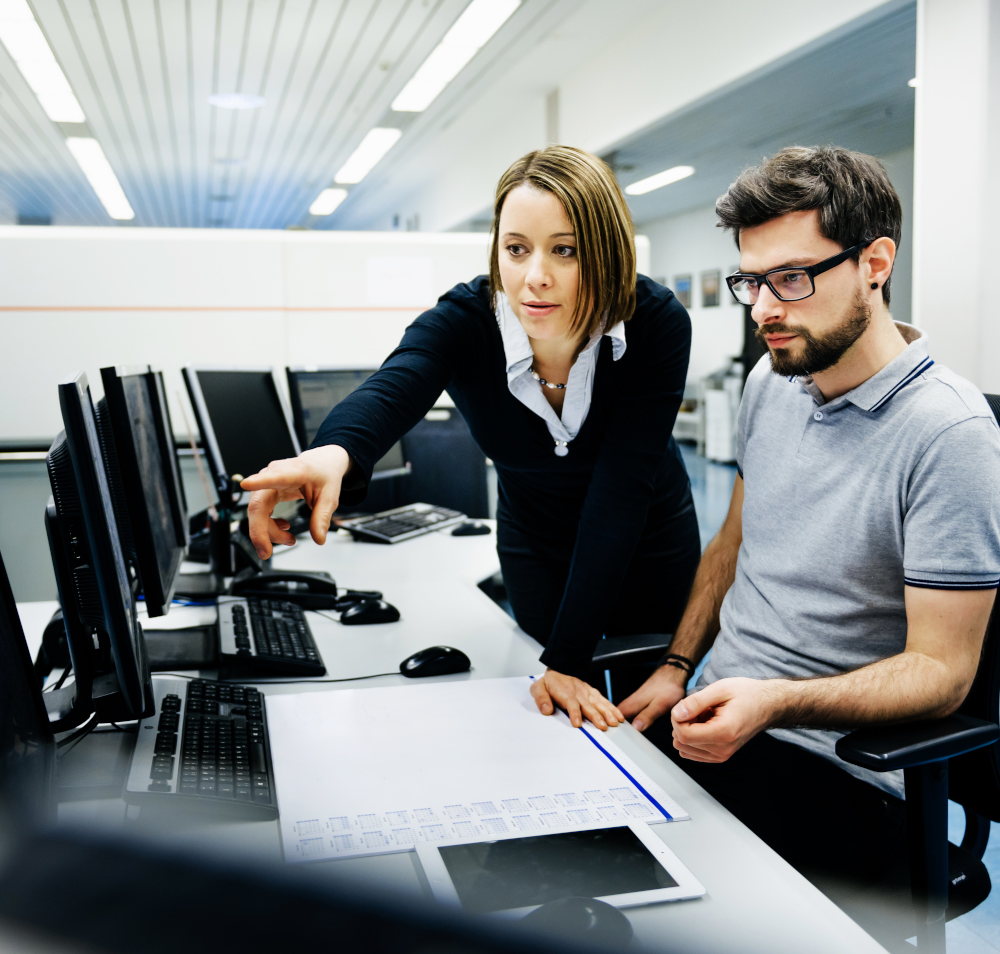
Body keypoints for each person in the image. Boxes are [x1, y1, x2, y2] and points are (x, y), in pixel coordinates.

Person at [619, 145, 1000, 891]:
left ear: (876, 263)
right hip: (715, 720)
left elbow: (943, 675)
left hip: (840, 770)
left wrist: (774, 703)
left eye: (791, 278)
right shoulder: (772, 378)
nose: (763, 309)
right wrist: (674, 666)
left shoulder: (949, 436)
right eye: (750, 282)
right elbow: (734, 540)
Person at [241, 146, 701, 730]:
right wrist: (333, 453)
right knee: (554, 716)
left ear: (606, 251)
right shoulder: (466, 320)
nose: (534, 276)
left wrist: (569, 658)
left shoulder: (655, 323)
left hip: (645, 540)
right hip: (535, 540)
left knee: (644, 717)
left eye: (566, 250)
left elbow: (621, 494)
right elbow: (395, 384)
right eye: (516, 249)